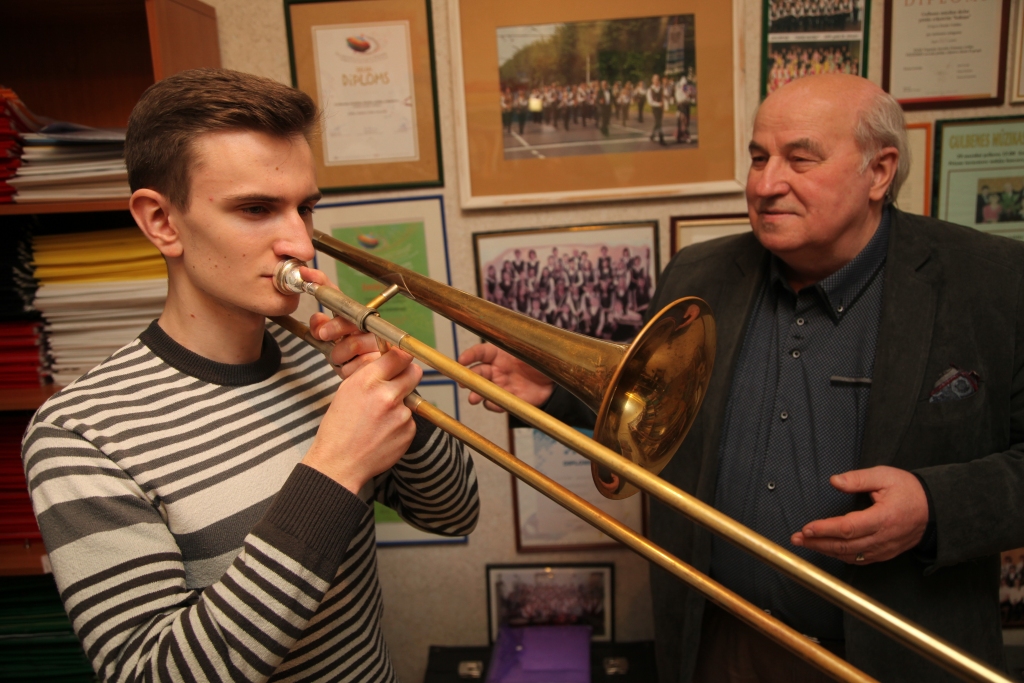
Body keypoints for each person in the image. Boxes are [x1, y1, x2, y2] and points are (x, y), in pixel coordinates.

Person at [458, 73, 1024, 682]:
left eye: (799, 160)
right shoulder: (698, 274)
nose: (765, 184)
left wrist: (934, 508)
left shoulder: (993, 282)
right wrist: (553, 389)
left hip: (901, 660)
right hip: (721, 647)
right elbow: (654, 408)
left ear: (879, 172)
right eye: (758, 158)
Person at [22, 68, 479, 683]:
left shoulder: (317, 361)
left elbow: (454, 513)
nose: (301, 244)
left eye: (305, 208)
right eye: (257, 209)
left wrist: (393, 398)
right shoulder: (77, 433)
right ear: (161, 221)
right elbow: (152, 674)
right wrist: (337, 466)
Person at [647, 74, 666, 145]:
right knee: (658, 122)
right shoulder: (650, 90)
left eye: (657, 79)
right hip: (655, 108)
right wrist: (658, 104)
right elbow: (650, 102)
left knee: (658, 122)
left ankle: (652, 135)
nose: (656, 81)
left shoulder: (661, 88)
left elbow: (665, 96)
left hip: (661, 108)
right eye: (655, 79)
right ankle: (661, 138)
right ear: (652, 80)